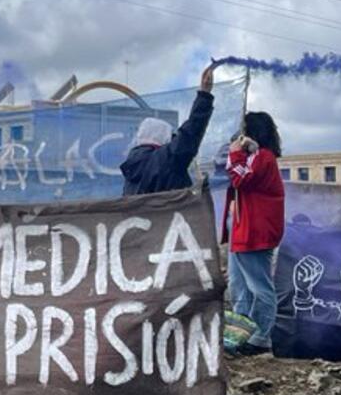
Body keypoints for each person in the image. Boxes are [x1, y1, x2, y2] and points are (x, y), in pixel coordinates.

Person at [222, 111, 286, 356]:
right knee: (239, 287)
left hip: (255, 232)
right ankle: (238, 335)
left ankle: (260, 339)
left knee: (259, 287)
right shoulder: (257, 157)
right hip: (244, 230)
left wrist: (236, 152)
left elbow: (239, 179)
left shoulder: (264, 158)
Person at [120, 64, 217, 195]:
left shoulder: (130, 169)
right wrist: (204, 95)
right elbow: (191, 131)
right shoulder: (168, 157)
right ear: (162, 137)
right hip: (172, 215)